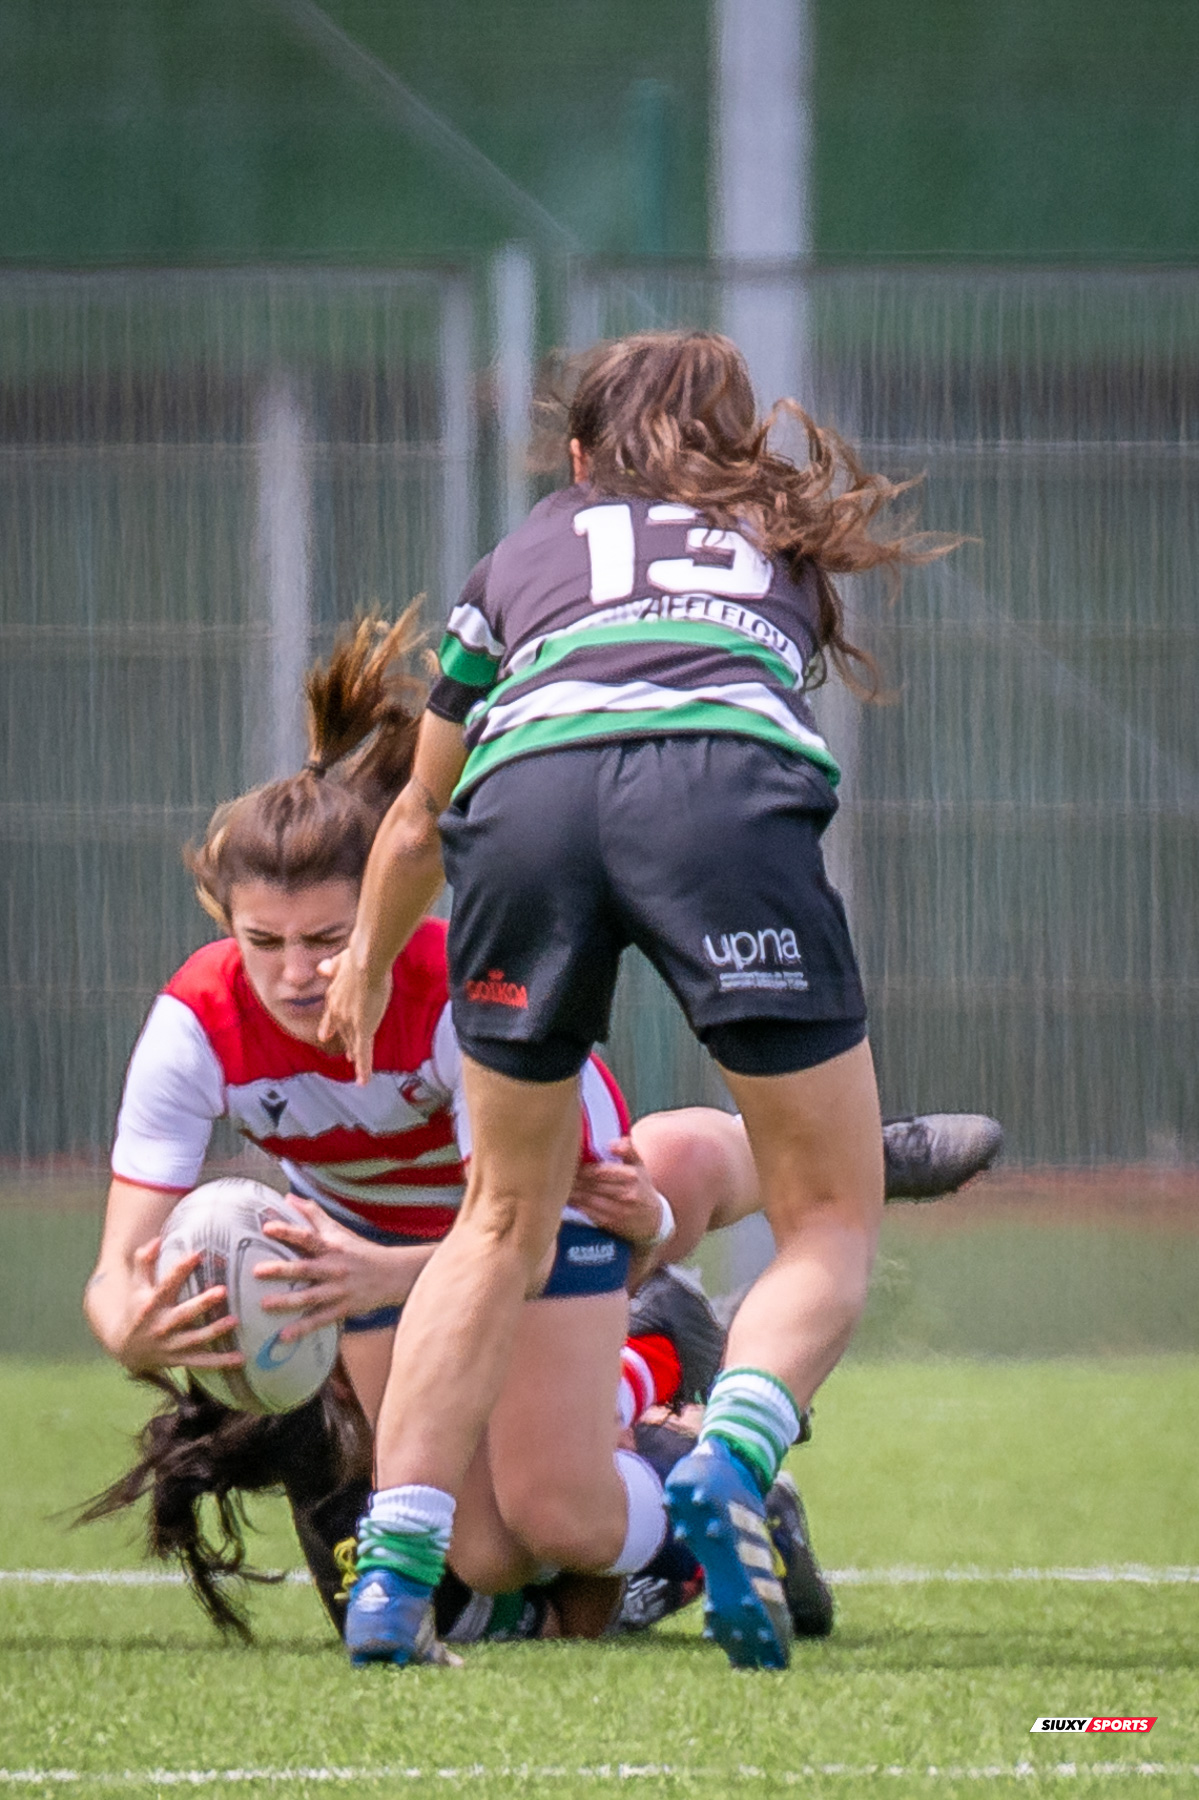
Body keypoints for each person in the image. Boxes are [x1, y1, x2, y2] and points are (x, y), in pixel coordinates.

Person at [320, 329, 960, 1671]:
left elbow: (421, 811)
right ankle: (726, 1461)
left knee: (499, 1219)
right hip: (717, 795)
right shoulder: (775, 544)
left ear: (575, 459)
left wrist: (371, 958)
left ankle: (391, 1581)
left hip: (528, 799)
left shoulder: (518, 559)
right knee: (829, 1216)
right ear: (738, 448)